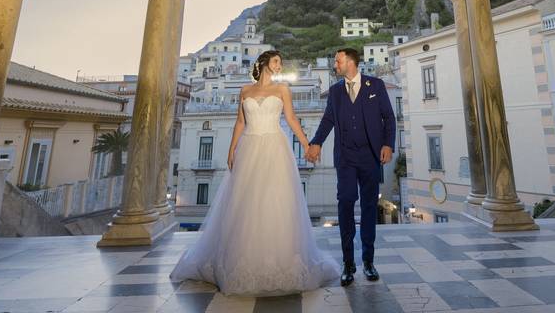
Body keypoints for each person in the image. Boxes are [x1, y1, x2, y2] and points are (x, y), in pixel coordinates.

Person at [169, 50, 340, 296]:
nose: (280, 65)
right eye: (276, 61)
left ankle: (277, 259)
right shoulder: (245, 90)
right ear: (264, 64)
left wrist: (307, 145)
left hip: (274, 146)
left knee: (274, 200)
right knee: (244, 202)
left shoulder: (282, 90)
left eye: (281, 62)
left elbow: (291, 119)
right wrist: (231, 149)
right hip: (249, 145)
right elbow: (240, 122)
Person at [306, 47, 396, 286]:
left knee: (368, 208)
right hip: (345, 157)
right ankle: (348, 263)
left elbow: (389, 117)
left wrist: (388, 144)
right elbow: (327, 120)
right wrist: (316, 143)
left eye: (338, 60)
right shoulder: (335, 92)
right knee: (345, 202)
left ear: (351, 62)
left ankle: (368, 261)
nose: (335, 65)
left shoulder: (375, 86)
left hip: (370, 156)